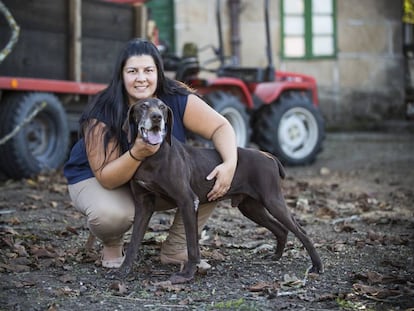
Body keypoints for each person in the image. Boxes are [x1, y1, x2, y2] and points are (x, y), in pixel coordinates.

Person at [63, 38, 238, 268]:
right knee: (112, 215)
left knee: (210, 177)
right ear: (121, 75)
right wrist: (137, 152)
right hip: (97, 179)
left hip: (149, 177)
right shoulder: (103, 109)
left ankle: (177, 248)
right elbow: (106, 177)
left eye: (148, 70)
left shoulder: (175, 98)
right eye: (132, 71)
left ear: (159, 72)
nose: (141, 78)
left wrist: (230, 165)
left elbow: (220, 127)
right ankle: (112, 244)